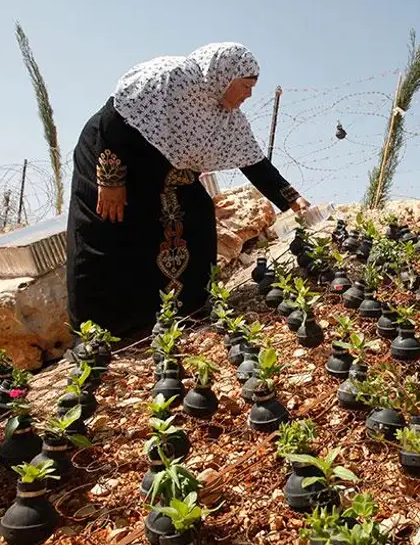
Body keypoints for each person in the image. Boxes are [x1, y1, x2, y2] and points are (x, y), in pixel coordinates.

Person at [66, 42, 310, 337]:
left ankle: (185, 309)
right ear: (224, 76)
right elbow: (114, 118)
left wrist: (293, 198)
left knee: (196, 218)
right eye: (245, 86)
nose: (248, 95)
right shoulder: (170, 77)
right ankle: (102, 331)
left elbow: (255, 163)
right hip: (111, 159)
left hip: (163, 176)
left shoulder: (226, 118)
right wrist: (111, 179)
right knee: (110, 232)